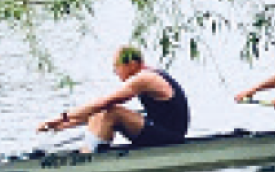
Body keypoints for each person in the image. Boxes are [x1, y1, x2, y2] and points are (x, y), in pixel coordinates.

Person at [38, 46, 190, 153]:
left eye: (116, 67)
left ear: (131, 64)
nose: (115, 73)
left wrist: (62, 117)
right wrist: (64, 124)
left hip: (171, 138)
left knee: (111, 111)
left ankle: (87, 159)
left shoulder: (145, 78)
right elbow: (97, 109)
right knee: (102, 111)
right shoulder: (146, 75)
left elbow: (105, 103)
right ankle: (90, 153)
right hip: (161, 131)